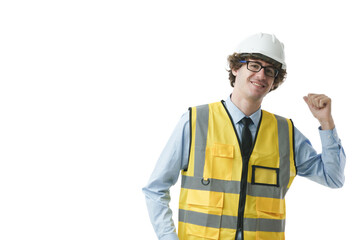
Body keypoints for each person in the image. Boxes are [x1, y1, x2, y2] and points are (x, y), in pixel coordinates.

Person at [142, 33, 345, 240]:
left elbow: (333, 178)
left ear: (275, 81)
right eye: (254, 65)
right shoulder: (196, 121)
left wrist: (326, 123)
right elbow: (155, 190)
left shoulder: (285, 132)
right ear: (235, 67)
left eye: (270, 70)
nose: (261, 75)